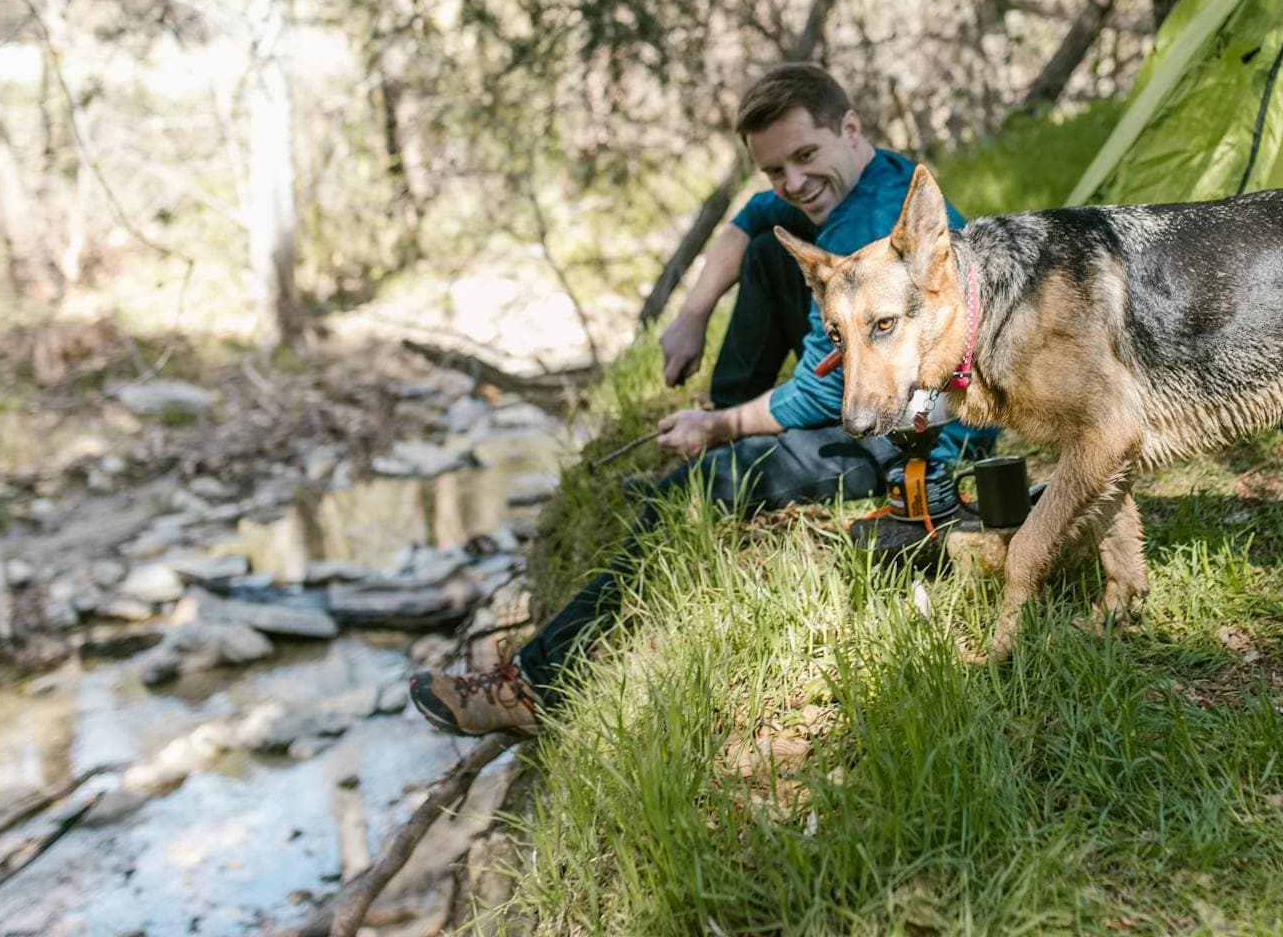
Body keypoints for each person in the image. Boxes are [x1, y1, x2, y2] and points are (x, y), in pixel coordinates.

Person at [410, 63, 993, 735]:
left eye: (805, 156)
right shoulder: (863, 175)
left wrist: (716, 427)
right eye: (775, 169)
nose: (793, 182)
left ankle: (530, 688)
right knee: (771, 252)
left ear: (850, 128)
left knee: (702, 482)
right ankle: (726, 449)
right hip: (873, 400)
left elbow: (817, 394)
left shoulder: (865, 230)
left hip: (916, 437)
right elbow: (751, 216)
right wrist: (691, 314)